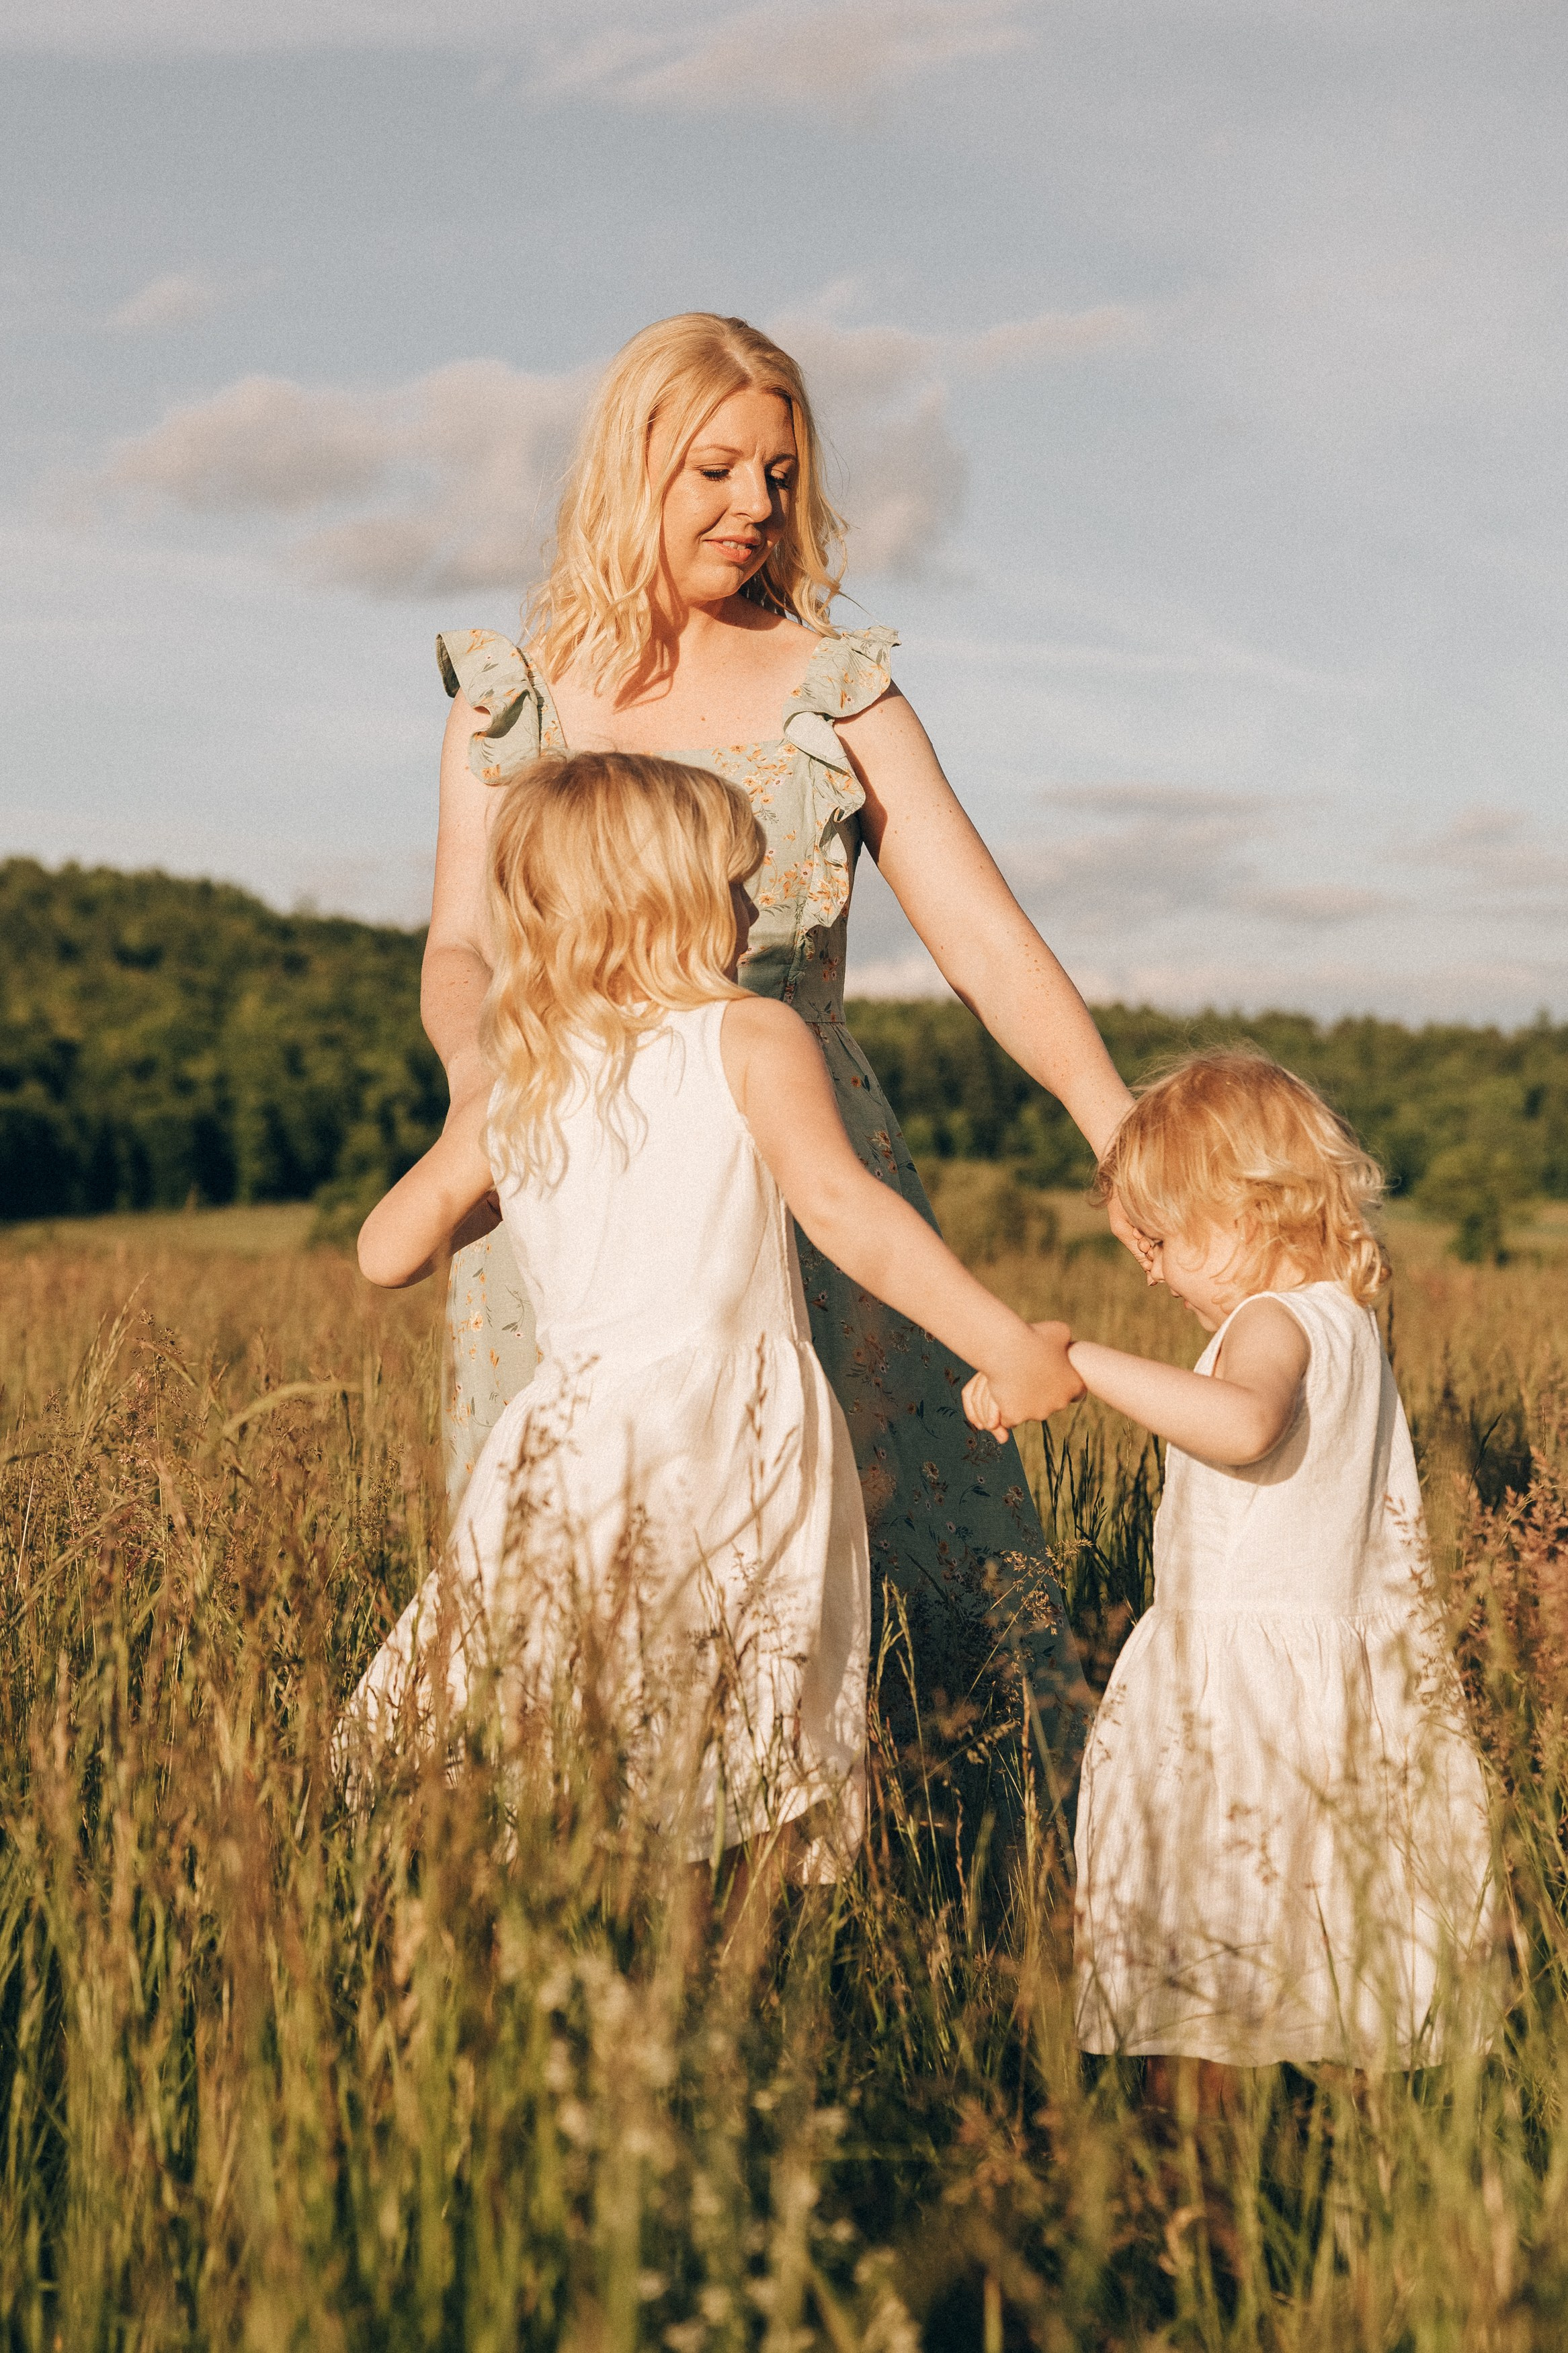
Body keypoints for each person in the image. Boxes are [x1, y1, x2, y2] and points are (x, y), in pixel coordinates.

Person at [423, 310, 1134, 1769]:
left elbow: (983, 937)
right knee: (587, 1603)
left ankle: (949, 1921)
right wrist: (475, 1088)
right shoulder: (516, 696)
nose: (759, 508)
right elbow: (458, 949)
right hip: (578, 1189)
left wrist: (1113, 1122)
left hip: (814, 1182)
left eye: (782, 475)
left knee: (892, 1576)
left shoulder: (839, 687)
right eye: (720, 469)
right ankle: (612, 1947)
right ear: (635, 464)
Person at [345, 749, 1083, 1873]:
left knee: (561, 1704)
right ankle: (752, 1952)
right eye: (737, 886)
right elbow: (845, 1208)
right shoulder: (748, 1032)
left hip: (561, 1444)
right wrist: (1000, 1343)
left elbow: (386, 1250)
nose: (753, 908)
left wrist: (484, 1155)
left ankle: (571, 1934)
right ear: (665, 901)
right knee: (749, 1719)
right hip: (723, 1434)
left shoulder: (521, 1074)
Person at [967, 1051, 1500, 2073]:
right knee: (1333, 1966)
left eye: (1161, 1243)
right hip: (1332, 1704)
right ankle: (1340, 2198)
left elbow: (1244, 1423)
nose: (1153, 1271)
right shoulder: (1343, 1321)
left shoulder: (1273, 1322)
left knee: (1209, 1996)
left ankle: (1192, 2202)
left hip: (1247, 1715)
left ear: (1250, 1211)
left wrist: (1072, 1362)